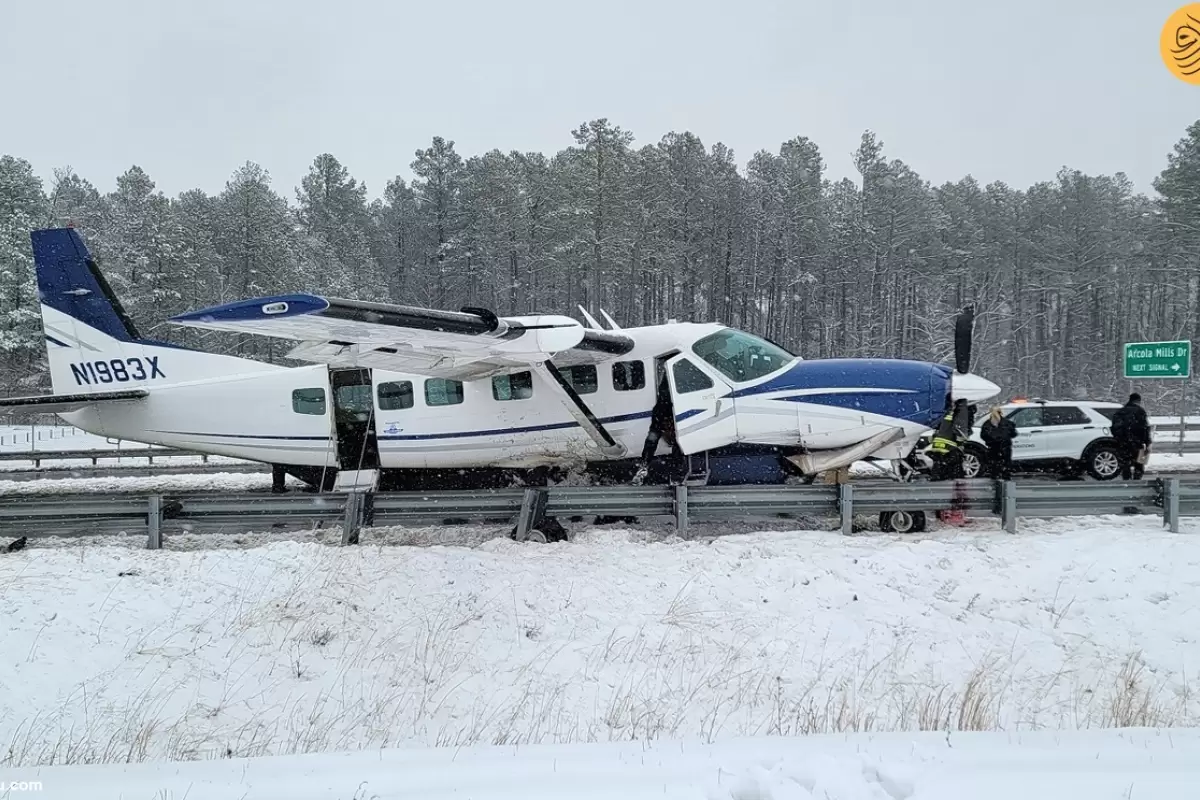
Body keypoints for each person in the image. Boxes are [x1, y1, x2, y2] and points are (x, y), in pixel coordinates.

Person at [1111, 392, 1151, 480]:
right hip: (1137, 442)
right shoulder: (1140, 411)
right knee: (1139, 462)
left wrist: (1118, 438)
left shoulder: (1120, 411)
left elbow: (1114, 427)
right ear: (1138, 401)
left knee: (1125, 463)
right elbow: (1144, 428)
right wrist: (1147, 443)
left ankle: (1127, 480)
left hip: (1122, 442)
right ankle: (1137, 480)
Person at [927, 398, 970, 480]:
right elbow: (959, 429)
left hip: (938, 443)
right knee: (953, 468)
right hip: (949, 445)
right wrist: (961, 444)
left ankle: (937, 476)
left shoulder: (944, 411)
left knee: (939, 464)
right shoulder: (961, 411)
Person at [979, 405, 1017, 479]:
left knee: (994, 465)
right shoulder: (1008, 423)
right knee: (1005, 465)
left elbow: (983, 436)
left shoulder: (987, 424)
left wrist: (991, 440)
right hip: (1005, 447)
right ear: (1001, 413)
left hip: (993, 448)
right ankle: (1005, 480)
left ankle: (996, 479)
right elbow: (1014, 433)